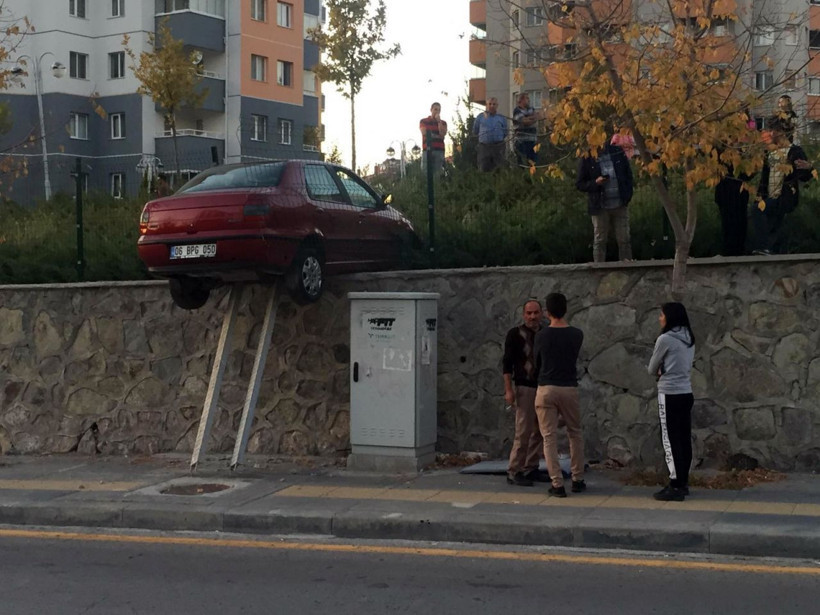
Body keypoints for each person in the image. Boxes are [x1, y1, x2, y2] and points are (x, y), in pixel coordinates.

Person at [533, 292, 585, 498]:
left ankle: (557, 483)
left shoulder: (541, 335)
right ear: (565, 309)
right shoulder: (577, 334)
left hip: (546, 386)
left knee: (549, 437)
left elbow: (537, 361)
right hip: (568, 386)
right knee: (575, 433)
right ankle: (577, 478)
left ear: (547, 312)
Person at [647, 302, 696, 502]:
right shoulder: (689, 338)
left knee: (669, 439)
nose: (660, 318)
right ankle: (683, 481)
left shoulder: (665, 339)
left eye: (662, 315)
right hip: (686, 391)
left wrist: (660, 370)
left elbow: (652, 368)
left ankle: (675, 484)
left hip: (669, 392)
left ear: (670, 317)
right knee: (684, 438)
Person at [751, 118, 813, 256]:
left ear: (781, 132)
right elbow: (764, 177)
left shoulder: (794, 151)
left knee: (757, 210)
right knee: (774, 225)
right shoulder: (770, 152)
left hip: (784, 196)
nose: (770, 134)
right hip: (769, 195)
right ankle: (774, 252)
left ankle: (763, 247)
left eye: (773, 130)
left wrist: (809, 168)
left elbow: (804, 176)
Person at [502, 300, 547, 487]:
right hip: (524, 386)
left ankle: (531, 467)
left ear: (541, 313)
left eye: (535, 313)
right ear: (523, 315)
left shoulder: (546, 333)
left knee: (540, 430)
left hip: (543, 386)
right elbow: (507, 363)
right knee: (523, 430)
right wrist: (508, 390)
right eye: (529, 313)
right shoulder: (515, 334)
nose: (532, 317)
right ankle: (514, 470)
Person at [575, 137, 634, 262]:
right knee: (600, 239)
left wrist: (627, 195)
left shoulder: (617, 152)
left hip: (620, 204)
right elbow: (580, 183)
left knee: (624, 239)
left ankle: (627, 266)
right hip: (600, 206)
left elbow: (628, 175)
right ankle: (599, 267)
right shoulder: (588, 157)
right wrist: (595, 183)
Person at [714, 165, 750, 256]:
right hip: (725, 190)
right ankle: (729, 250)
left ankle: (739, 250)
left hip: (739, 191)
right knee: (728, 222)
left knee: (740, 222)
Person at [473, 97, 507, 171]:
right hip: (484, 147)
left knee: (499, 168)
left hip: (498, 147)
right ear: (486, 105)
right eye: (490, 104)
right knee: (483, 168)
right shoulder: (480, 117)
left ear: (497, 106)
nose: (492, 106)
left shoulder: (501, 118)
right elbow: (475, 131)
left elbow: (505, 132)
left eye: (494, 104)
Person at [512, 93, 540, 166]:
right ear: (521, 100)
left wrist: (528, 118)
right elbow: (525, 122)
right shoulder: (517, 111)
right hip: (521, 141)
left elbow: (537, 117)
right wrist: (531, 119)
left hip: (532, 140)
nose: (529, 100)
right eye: (527, 98)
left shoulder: (531, 109)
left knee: (533, 162)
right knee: (522, 162)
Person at [419, 102, 447, 173]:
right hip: (427, 150)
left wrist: (439, 122)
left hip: (439, 150)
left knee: (438, 172)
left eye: (439, 110)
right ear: (431, 110)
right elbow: (424, 132)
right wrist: (437, 136)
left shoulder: (443, 123)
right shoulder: (424, 121)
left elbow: (443, 133)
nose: (437, 112)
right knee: (425, 171)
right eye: (435, 109)